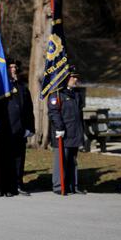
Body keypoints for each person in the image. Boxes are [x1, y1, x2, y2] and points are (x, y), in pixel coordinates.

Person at [0, 58, 35, 196]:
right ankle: (3, 187)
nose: (14, 69)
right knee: (4, 159)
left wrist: (29, 127)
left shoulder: (22, 87)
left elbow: (29, 109)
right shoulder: (0, 86)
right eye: (10, 67)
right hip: (5, 129)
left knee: (19, 159)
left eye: (15, 67)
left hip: (19, 129)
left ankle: (17, 184)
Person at [48, 65, 85, 194]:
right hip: (63, 133)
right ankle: (59, 186)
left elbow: (79, 114)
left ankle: (72, 186)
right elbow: (54, 113)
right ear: (66, 78)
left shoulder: (76, 94)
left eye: (76, 77)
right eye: (73, 77)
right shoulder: (57, 93)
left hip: (74, 132)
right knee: (61, 161)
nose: (75, 79)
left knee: (72, 161)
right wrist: (59, 127)